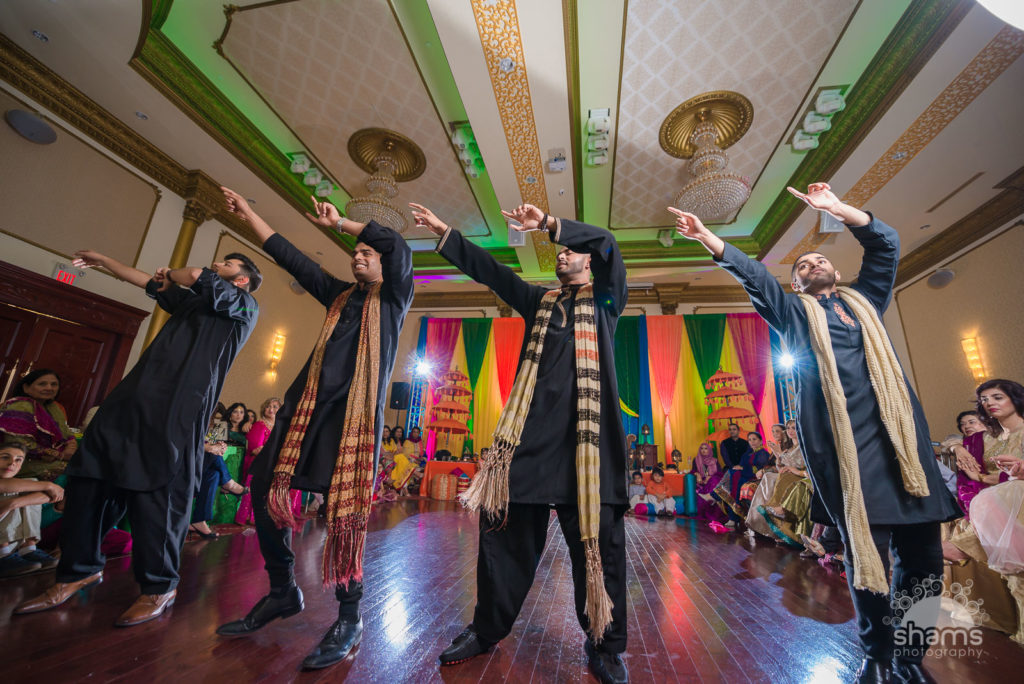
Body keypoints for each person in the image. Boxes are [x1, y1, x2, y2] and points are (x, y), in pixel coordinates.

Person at [671, 183, 961, 683]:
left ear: (837, 273)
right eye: (802, 266)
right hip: (846, 449)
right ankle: (877, 655)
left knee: (924, 559)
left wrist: (836, 208)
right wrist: (707, 238)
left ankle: (910, 657)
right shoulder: (794, 315)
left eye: (818, 260)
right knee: (866, 556)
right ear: (797, 285)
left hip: (903, 446)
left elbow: (886, 244)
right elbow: (757, 278)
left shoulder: (867, 300)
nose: (812, 264)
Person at [411, 202, 629, 684]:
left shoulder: (607, 300)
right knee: (501, 533)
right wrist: (447, 232)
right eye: (560, 251)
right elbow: (493, 273)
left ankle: (606, 644)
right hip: (528, 444)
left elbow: (609, 244)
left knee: (601, 549)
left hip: (589, 452)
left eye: (571, 250)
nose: (562, 255)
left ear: (588, 260)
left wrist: (549, 224)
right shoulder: (540, 302)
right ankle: (486, 629)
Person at [214, 187, 413, 671]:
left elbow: (398, 246)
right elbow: (291, 257)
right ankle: (283, 590)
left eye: (368, 253)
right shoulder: (338, 295)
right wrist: (250, 213)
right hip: (303, 411)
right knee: (262, 490)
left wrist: (342, 224)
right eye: (355, 253)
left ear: (385, 264)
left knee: (343, 513)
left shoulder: (394, 298)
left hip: (349, 420)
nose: (359, 257)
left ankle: (349, 617)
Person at [15, 247, 259, 626]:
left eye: (226, 264)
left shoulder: (244, 307)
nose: (217, 264)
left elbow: (194, 275)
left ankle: (159, 586)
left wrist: (174, 273)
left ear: (241, 280)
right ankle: (77, 570)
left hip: (176, 409)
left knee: (159, 495)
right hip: (131, 401)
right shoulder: (193, 305)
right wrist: (104, 260)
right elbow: (147, 280)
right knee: (90, 479)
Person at [0, 369, 78, 481]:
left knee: (83, 466)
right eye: (42, 384)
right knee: (73, 469)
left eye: (54, 384)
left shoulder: (53, 407)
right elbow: (18, 443)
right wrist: (60, 455)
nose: (49, 388)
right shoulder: (21, 405)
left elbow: (67, 433)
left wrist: (70, 447)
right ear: (26, 388)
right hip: (16, 460)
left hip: (47, 459)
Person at [0, 442, 63, 577]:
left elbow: (47, 496)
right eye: (5, 457)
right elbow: (3, 486)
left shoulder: (22, 485)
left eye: (18, 460)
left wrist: (12, 503)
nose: (12, 463)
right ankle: (2, 554)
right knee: (13, 490)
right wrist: (48, 485)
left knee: (30, 487)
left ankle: (28, 549)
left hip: (12, 542)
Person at [236, 397, 283, 525]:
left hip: (272, 464)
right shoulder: (259, 425)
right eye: (268, 406)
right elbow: (256, 449)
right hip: (259, 464)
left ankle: (261, 517)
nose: (271, 409)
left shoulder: (279, 427)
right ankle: (247, 517)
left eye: (275, 407)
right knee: (254, 490)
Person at [189, 438, 247, 539]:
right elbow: (183, 442)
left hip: (193, 464)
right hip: (178, 466)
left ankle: (199, 520)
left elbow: (198, 441)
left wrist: (217, 446)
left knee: (214, 474)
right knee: (213, 455)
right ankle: (227, 483)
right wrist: (209, 448)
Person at [691, 442, 726, 524]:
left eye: (706, 448)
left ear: (709, 450)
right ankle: (711, 498)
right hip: (701, 482)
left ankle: (711, 497)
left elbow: (720, 473)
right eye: (702, 448)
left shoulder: (714, 460)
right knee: (713, 482)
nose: (703, 450)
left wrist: (710, 477)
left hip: (712, 481)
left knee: (714, 479)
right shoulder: (696, 460)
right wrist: (697, 474)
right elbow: (693, 470)